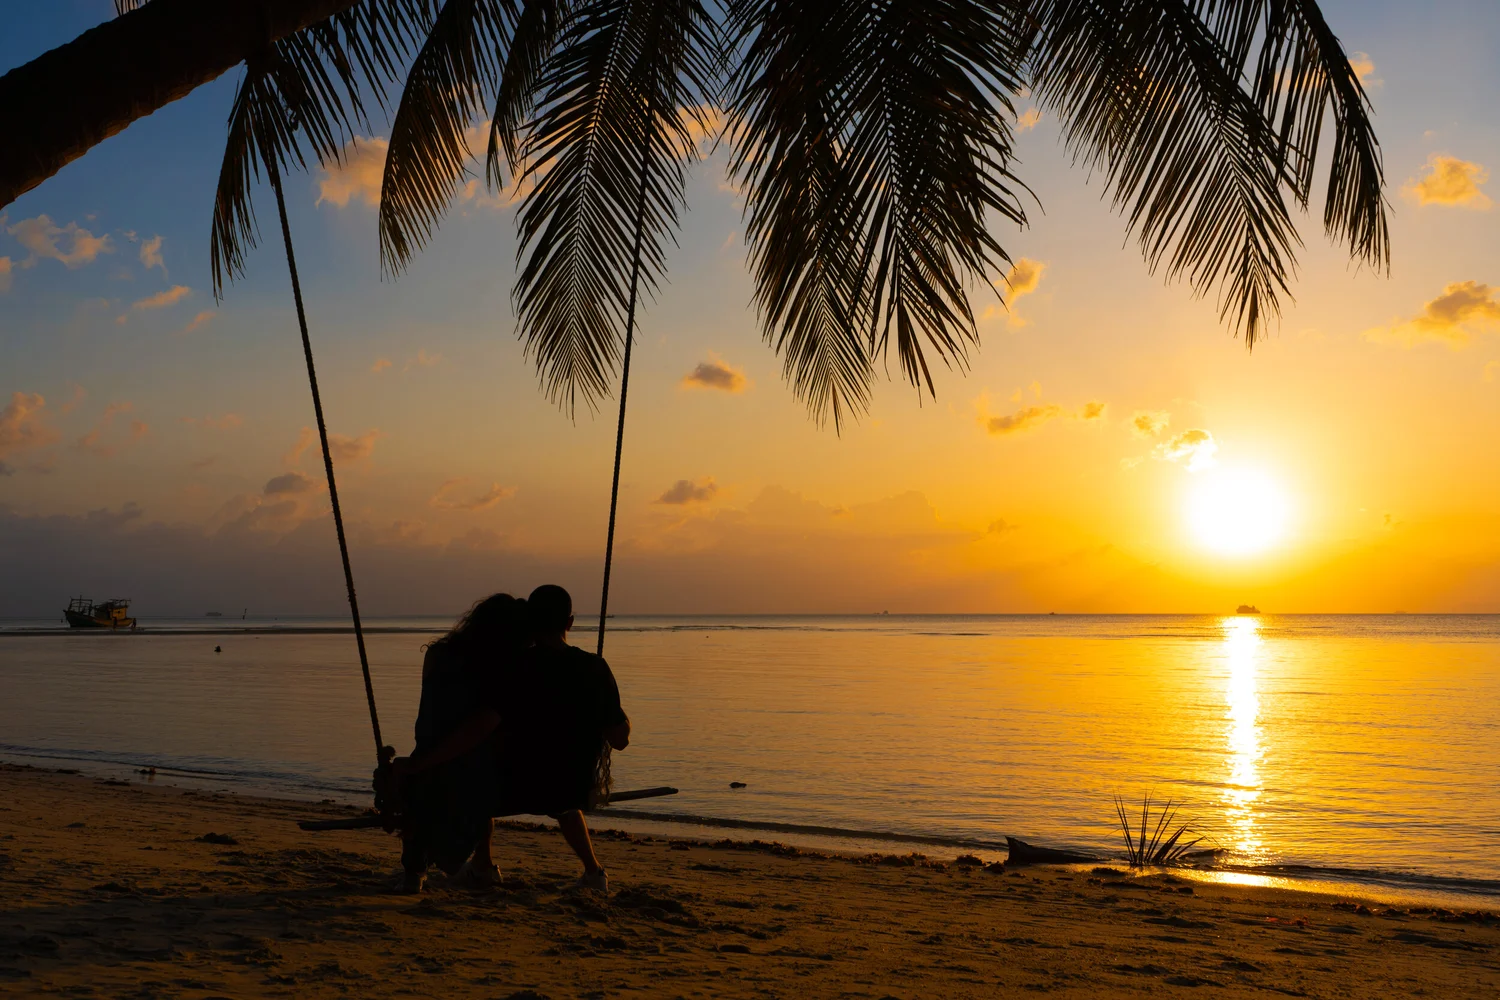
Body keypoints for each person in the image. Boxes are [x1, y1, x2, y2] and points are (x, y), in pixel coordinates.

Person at [390, 593, 528, 893]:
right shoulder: (504, 668)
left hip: (428, 754)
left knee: (424, 784)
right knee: (478, 778)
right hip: (466, 767)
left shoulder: (438, 654)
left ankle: (416, 873)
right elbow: (479, 728)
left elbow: (430, 712)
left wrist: (418, 762)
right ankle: (465, 865)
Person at [501, 584, 631, 893]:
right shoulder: (593, 668)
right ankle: (593, 871)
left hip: (512, 783)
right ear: (569, 622)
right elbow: (620, 739)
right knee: (565, 798)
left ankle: (482, 864)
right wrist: (615, 712)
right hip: (571, 785)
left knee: (475, 785)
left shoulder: (512, 666)